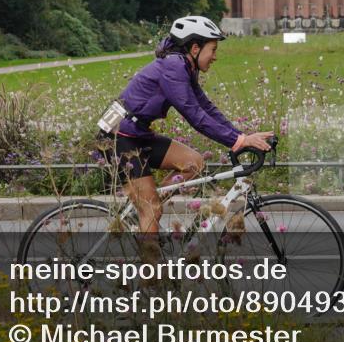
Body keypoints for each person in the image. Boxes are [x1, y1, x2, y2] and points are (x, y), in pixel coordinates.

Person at [97, 16, 273, 242]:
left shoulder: (184, 66)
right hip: (116, 138)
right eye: (213, 49)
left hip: (136, 135)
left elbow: (205, 107)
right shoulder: (173, 67)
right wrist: (237, 141)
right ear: (195, 48)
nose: (215, 56)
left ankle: (145, 210)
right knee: (151, 210)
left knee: (194, 163)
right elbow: (194, 114)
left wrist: (241, 136)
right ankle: (151, 273)